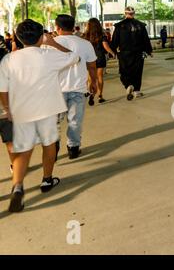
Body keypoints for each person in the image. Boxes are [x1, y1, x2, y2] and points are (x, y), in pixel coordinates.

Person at [0, 19, 80, 213]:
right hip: (46, 109)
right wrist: (52, 43)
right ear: (40, 37)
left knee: (23, 151)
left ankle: (18, 185)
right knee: (48, 144)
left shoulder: (10, 59)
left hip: (21, 110)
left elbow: (3, 89)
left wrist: (7, 108)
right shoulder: (48, 55)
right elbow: (74, 57)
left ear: (18, 38)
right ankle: (46, 180)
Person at [52, 14, 98, 160]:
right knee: (75, 121)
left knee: (54, 122)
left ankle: (53, 148)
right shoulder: (85, 44)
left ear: (57, 27)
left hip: (55, 91)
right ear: (73, 27)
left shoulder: (49, 44)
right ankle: (73, 148)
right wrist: (94, 83)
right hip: (78, 89)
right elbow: (92, 66)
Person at [110, 6, 153, 101]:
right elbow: (145, 39)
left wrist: (112, 52)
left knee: (124, 71)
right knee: (137, 72)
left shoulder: (119, 26)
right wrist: (149, 51)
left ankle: (128, 85)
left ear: (125, 13)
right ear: (134, 14)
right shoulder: (141, 25)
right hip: (138, 54)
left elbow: (115, 41)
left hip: (124, 54)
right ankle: (136, 90)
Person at [83, 18, 116, 104]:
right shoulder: (102, 35)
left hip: (89, 58)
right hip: (100, 57)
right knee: (100, 77)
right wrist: (112, 53)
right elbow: (105, 46)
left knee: (90, 78)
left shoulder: (85, 35)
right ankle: (100, 96)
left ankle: (91, 94)